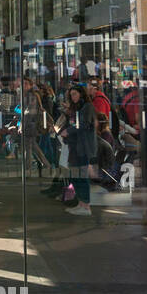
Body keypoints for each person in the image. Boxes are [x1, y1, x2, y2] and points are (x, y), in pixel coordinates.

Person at [58, 83, 98, 217]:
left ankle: (85, 205)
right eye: (71, 95)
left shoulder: (87, 107)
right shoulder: (80, 108)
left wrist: (67, 131)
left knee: (80, 175)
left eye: (75, 94)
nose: (73, 97)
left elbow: (82, 125)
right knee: (76, 175)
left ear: (81, 93)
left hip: (82, 147)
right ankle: (82, 204)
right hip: (76, 147)